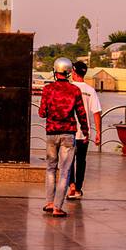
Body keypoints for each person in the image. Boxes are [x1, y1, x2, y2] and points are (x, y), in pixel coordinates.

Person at [38, 56, 88, 216]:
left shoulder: (48, 89)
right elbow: (81, 114)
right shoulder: (75, 90)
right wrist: (86, 132)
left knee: (51, 168)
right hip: (68, 134)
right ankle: (58, 207)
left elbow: (42, 113)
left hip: (51, 133)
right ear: (68, 72)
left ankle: (49, 202)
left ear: (55, 71)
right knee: (65, 171)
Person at [66, 59, 101, 200]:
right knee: (81, 161)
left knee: (69, 160)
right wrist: (98, 132)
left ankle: (71, 185)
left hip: (69, 130)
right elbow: (96, 112)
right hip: (85, 133)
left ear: (74, 72)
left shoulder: (69, 88)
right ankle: (78, 189)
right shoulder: (90, 91)